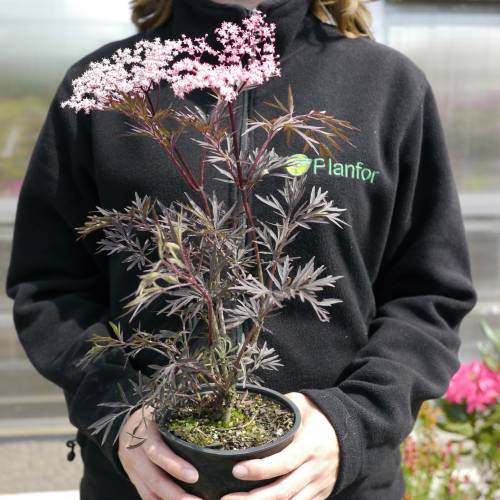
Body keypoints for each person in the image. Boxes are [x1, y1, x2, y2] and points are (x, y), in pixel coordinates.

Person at [5, 0, 478, 499]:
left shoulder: (387, 85)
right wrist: (119, 411)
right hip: (148, 486)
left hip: (341, 487)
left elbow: (429, 296)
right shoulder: (105, 86)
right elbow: (50, 288)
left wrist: (351, 422)